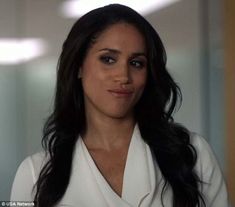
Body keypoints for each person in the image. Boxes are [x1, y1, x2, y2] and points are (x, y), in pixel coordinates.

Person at [10, 4, 230, 207]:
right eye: (108, 59)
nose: (123, 76)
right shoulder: (34, 174)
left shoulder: (192, 155)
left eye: (136, 63)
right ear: (78, 66)